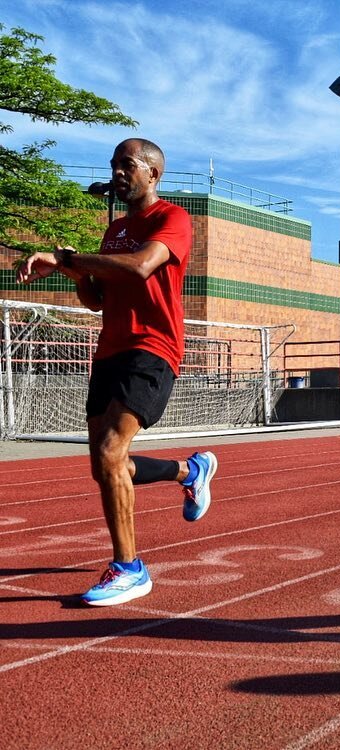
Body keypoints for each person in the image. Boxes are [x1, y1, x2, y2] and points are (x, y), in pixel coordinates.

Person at [16, 138, 217, 606]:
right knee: (105, 466)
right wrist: (73, 272)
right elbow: (98, 300)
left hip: (153, 347)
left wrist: (67, 259)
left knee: (110, 450)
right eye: (114, 165)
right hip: (109, 350)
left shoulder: (172, 219)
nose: (118, 172)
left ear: (153, 174)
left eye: (128, 164)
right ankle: (190, 470)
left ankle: (130, 568)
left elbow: (143, 267)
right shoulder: (113, 233)